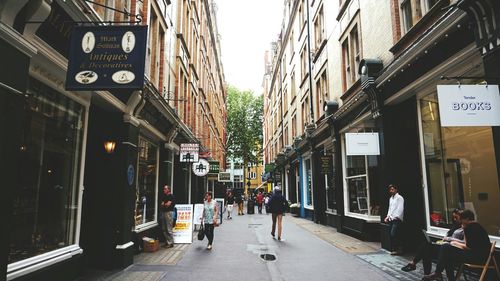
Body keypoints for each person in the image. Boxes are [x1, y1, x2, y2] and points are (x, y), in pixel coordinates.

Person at [422, 209, 491, 281]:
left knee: (446, 248)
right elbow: (468, 244)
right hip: (479, 255)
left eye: (461, 219)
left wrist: (455, 243)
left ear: (467, 218)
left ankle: (438, 273)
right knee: (448, 253)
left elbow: (468, 247)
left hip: (477, 258)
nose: (460, 221)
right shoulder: (475, 226)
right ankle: (445, 276)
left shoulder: (471, 227)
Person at [401, 209, 464, 275]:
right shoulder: (455, 227)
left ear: (462, 217)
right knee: (426, 249)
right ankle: (426, 274)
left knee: (426, 248)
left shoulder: (464, 228)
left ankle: (414, 264)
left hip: (452, 250)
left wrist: (448, 239)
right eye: (453, 217)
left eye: (456, 217)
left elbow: (462, 242)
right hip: (445, 247)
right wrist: (442, 241)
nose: (454, 219)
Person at [384, 184, 404, 255]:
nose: (391, 191)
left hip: (397, 219)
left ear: (396, 190)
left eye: (392, 189)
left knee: (394, 234)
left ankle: (399, 249)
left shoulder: (399, 198)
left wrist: (396, 217)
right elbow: (390, 209)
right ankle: (396, 249)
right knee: (393, 234)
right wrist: (387, 216)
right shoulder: (391, 198)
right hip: (391, 219)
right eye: (390, 190)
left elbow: (400, 209)